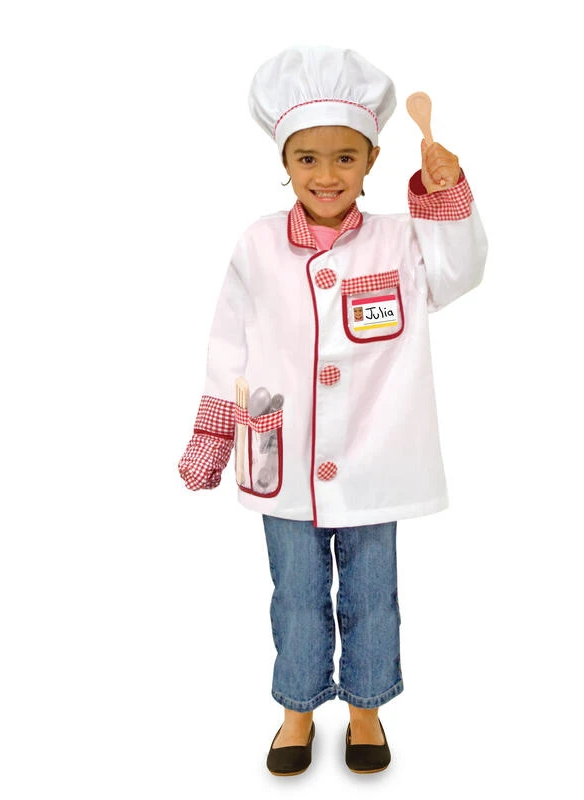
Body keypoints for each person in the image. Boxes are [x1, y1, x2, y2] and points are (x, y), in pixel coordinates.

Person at [178, 46, 487, 776]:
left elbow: (460, 273)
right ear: (284, 161)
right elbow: (228, 343)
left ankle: (367, 709)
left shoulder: (400, 240)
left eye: (345, 157)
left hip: (376, 459)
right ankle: (297, 708)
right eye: (308, 158)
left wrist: (444, 194)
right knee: (295, 594)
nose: (327, 175)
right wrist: (214, 432)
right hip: (280, 457)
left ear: (373, 159)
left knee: (373, 595)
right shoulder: (257, 244)